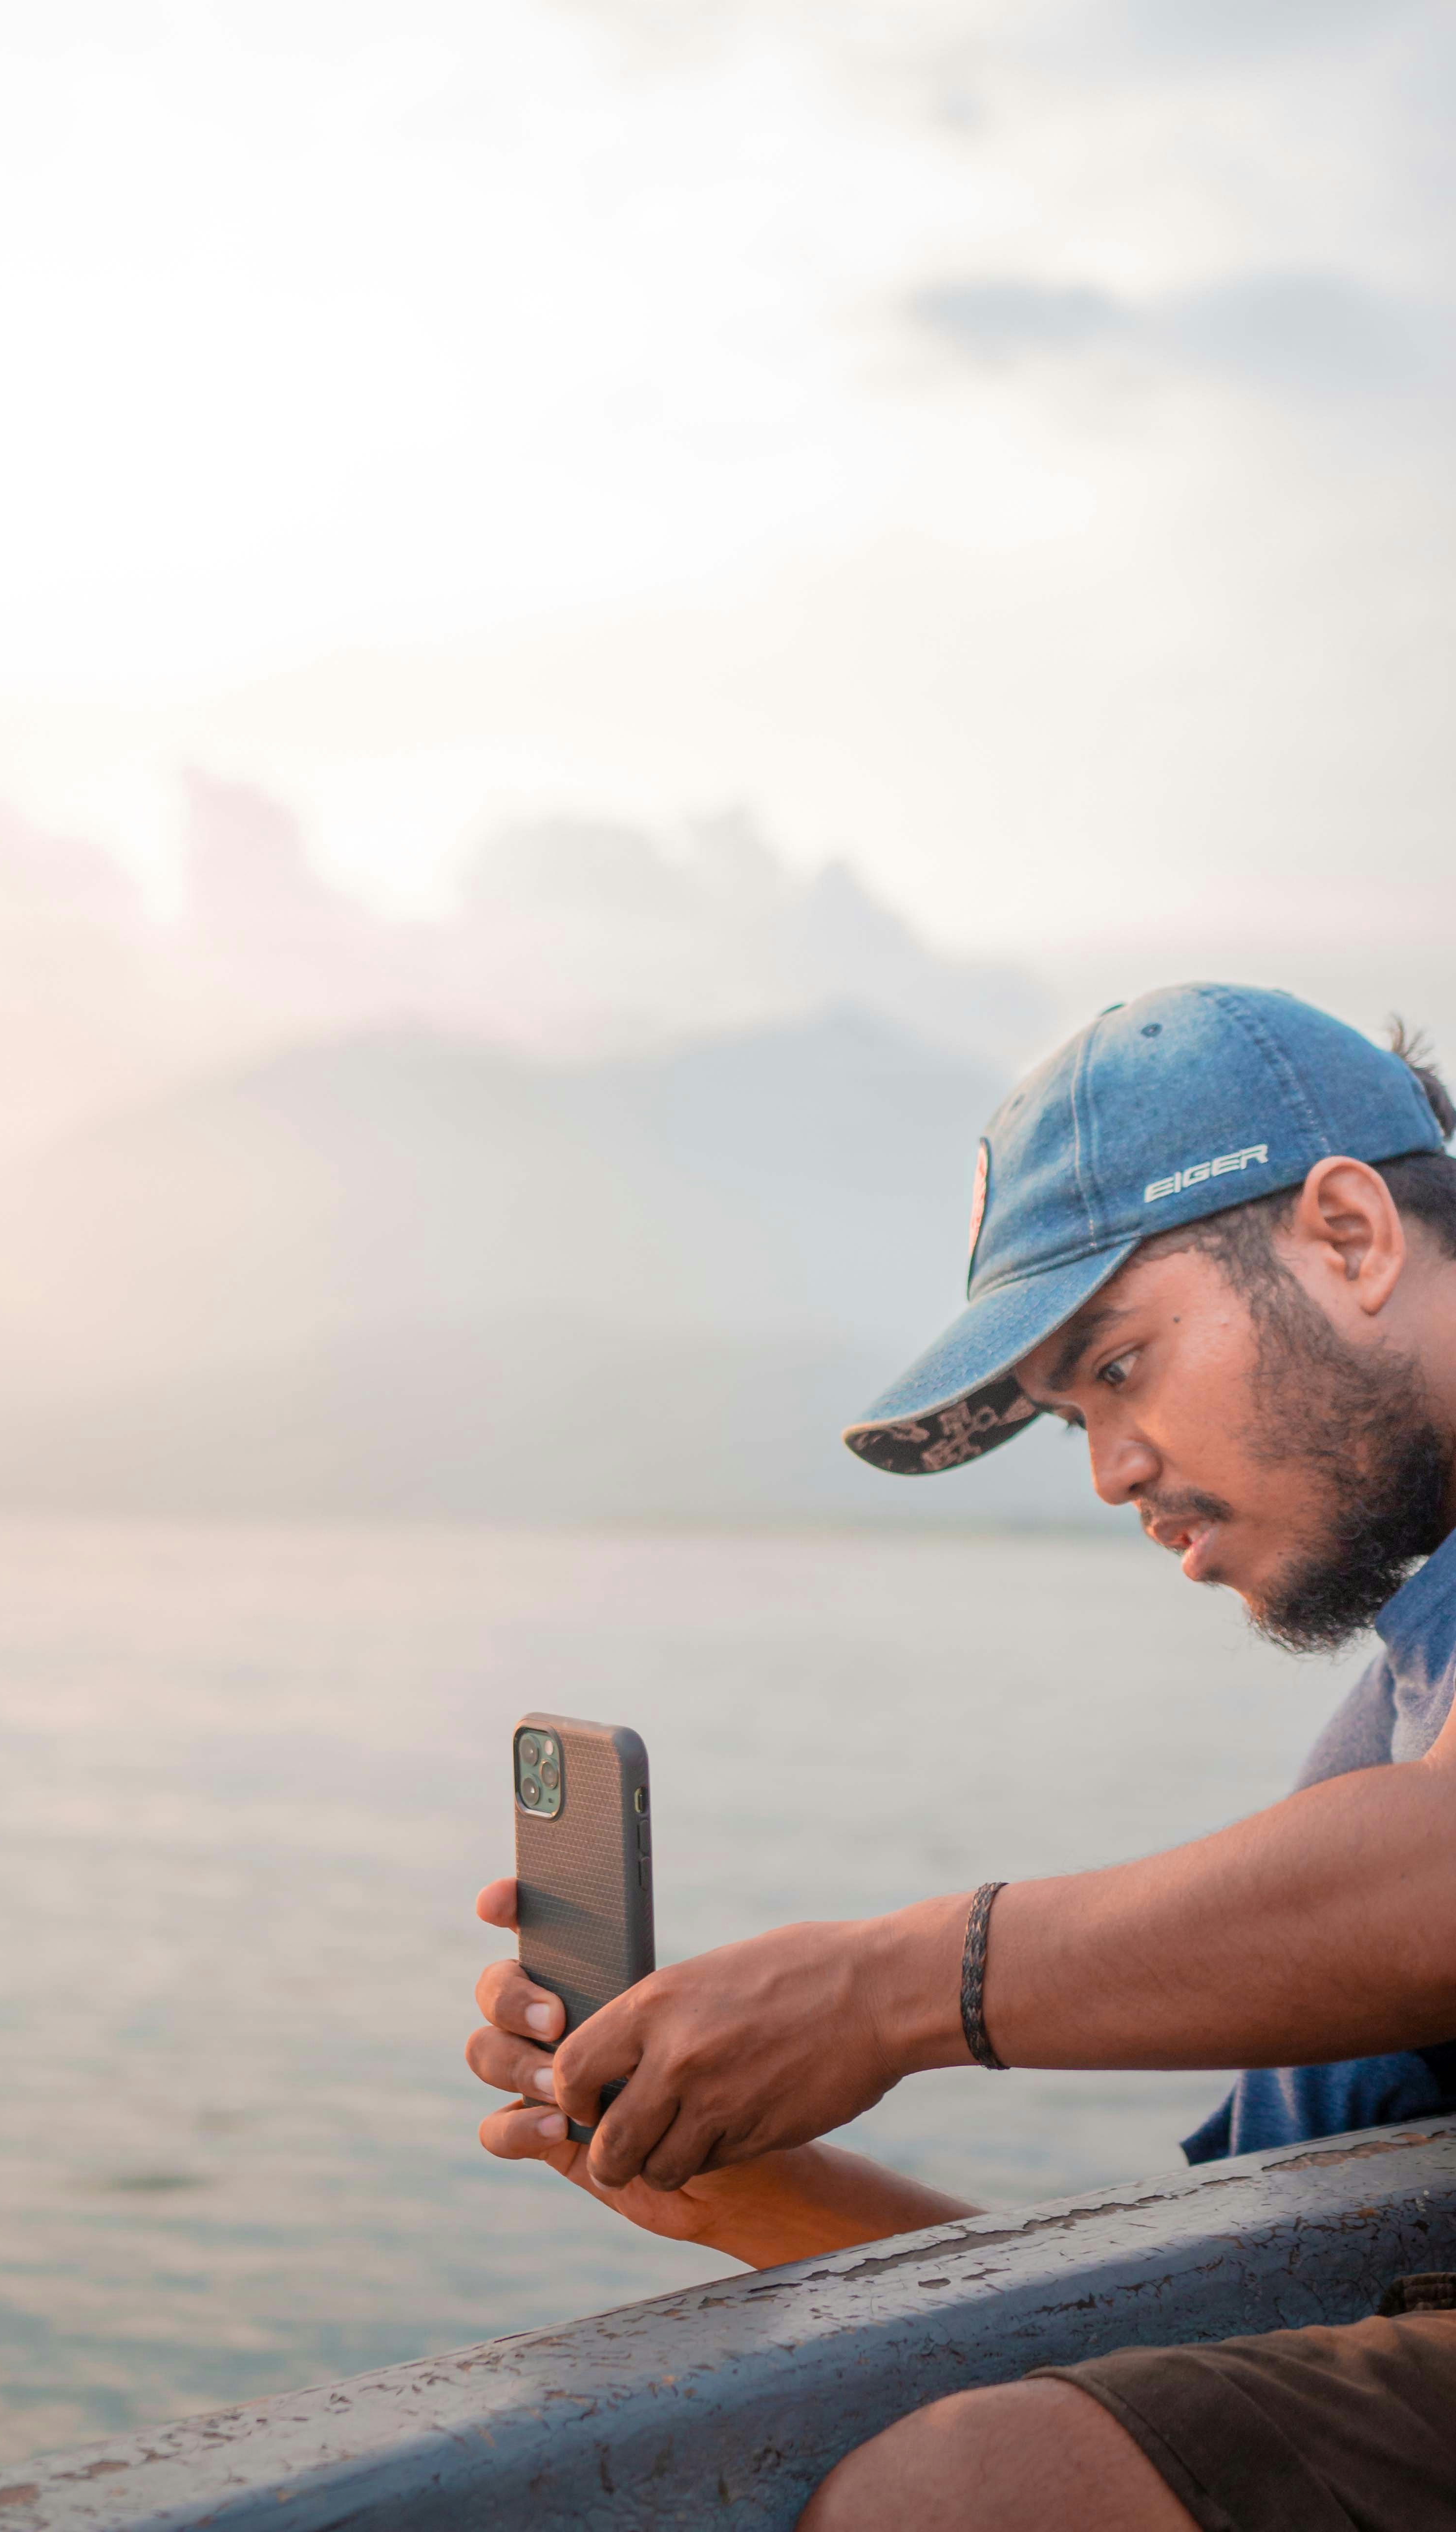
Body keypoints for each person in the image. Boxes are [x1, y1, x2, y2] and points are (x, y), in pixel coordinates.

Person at [466, 981, 1456, 2530]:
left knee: (975, 2487)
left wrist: (882, 1990)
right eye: (1073, 1422)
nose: (1116, 1472)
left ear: (1349, 1235)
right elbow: (1221, 2330)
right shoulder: (1399, 1710)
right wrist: (744, 2184)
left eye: (1118, 1365)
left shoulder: (1403, 1814)